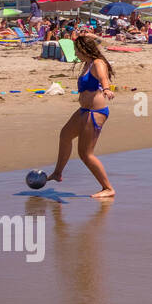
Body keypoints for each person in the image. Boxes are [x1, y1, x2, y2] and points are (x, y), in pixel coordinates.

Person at [48, 32, 116, 198]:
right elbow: (100, 42)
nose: (75, 53)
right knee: (65, 135)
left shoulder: (98, 63)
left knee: (85, 153)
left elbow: (103, 78)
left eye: (77, 50)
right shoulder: (87, 63)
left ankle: (108, 188)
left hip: (95, 113)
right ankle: (57, 173)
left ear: (85, 49)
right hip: (84, 111)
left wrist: (106, 88)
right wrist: (87, 34)